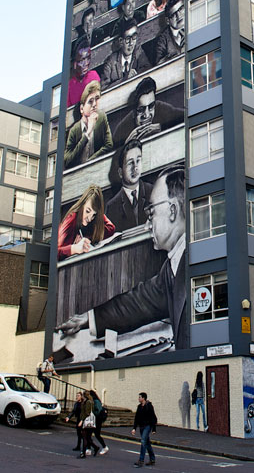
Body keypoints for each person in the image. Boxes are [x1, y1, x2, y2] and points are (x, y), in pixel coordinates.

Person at [57, 166, 188, 349]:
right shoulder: (172, 266)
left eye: (151, 214)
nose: (146, 226)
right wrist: (89, 318)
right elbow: (137, 303)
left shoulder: (195, 262)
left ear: (172, 211)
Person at [113, 76, 183, 146]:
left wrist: (160, 126)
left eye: (151, 107)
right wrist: (127, 145)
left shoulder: (161, 108)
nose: (147, 115)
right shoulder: (121, 130)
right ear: (133, 112)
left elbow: (185, 115)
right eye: (141, 110)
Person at [57, 185, 116, 261]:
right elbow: (55, 253)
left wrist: (87, 239)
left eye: (94, 215)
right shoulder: (71, 218)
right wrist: (74, 248)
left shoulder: (94, 218)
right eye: (87, 211)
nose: (90, 218)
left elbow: (111, 228)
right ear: (82, 205)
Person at [64, 81, 113, 169]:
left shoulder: (102, 117)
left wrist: (90, 161)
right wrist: (87, 134)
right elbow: (67, 161)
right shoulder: (74, 130)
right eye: (90, 101)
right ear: (82, 109)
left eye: (97, 99)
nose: (94, 104)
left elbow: (109, 145)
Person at [106, 140, 153, 232]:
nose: (135, 167)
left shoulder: (152, 191)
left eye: (138, 161)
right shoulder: (112, 207)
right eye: (130, 163)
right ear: (120, 173)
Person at [101, 18, 150, 88]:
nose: (131, 43)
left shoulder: (138, 51)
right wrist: (125, 79)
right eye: (127, 39)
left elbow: (148, 68)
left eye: (134, 36)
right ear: (121, 41)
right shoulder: (110, 62)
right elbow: (104, 88)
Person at [67, 37, 100, 107]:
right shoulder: (70, 85)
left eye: (88, 58)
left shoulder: (93, 75)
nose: (86, 63)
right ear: (74, 63)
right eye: (82, 60)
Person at [154, 0, 185, 64]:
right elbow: (159, 64)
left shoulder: (194, 22)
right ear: (167, 20)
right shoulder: (162, 40)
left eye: (180, 9)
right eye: (173, 14)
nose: (178, 15)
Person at [131, 391, 157, 468]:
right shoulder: (139, 407)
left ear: (143, 398)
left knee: (143, 441)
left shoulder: (149, 406)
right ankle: (152, 459)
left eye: (140, 397)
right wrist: (134, 428)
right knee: (147, 443)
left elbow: (153, 417)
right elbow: (136, 418)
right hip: (141, 426)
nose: (138, 398)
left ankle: (141, 461)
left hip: (147, 426)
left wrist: (153, 429)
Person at [78, 390, 99, 458]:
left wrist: (81, 420)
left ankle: (83, 453)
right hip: (90, 422)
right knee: (88, 438)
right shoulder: (90, 401)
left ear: (84, 396)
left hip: (87, 422)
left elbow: (87, 413)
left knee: (84, 437)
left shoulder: (87, 402)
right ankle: (95, 448)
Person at [89, 389, 109, 455]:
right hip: (94, 420)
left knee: (96, 435)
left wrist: (92, 411)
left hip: (97, 420)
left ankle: (104, 447)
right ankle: (89, 448)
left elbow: (98, 412)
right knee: (89, 434)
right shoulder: (93, 401)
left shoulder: (96, 401)